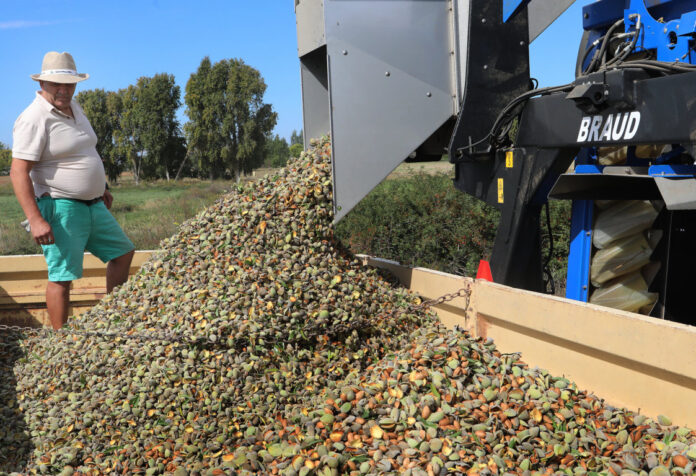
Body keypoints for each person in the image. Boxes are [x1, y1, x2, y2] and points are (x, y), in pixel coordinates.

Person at [10, 51, 135, 330]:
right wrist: (35, 219)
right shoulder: (34, 117)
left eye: (70, 84)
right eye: (57, 85)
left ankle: (113, 319)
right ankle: (60, 343)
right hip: (60, 206)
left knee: (123, 252)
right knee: (62, 276)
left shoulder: (74, 108)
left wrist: (99, 186)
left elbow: (84, 150)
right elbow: (18, 171)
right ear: (43, 84)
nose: (64, 90)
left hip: (93, 204)